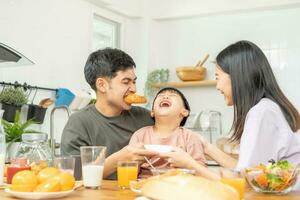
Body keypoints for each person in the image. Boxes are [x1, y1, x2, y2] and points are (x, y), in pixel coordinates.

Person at [159, 40, 300, 179]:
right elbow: (249, 170)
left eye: (217, 77)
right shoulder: (268, 107)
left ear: (238, 77)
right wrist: (206, 147)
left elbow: (245, 182)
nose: (217, 86)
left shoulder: (261, 113)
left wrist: (190, 164)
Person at [61, 48, 157, 180]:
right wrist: (118, 160)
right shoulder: (78, 123)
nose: (134, 89)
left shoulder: (146, 118)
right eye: (126, 82)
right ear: (102, 85)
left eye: (134, 81)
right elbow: (73, 179)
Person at [129, 87, 206, 177]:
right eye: (160, 95)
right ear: (152, 112)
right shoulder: (139, 135)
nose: (165, 97)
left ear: (184, 112)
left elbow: (201, 171)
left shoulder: (190, 137)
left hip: (179, 187)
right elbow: (129, 169)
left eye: (172, 95)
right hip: (143, 186)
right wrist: (136, 162)